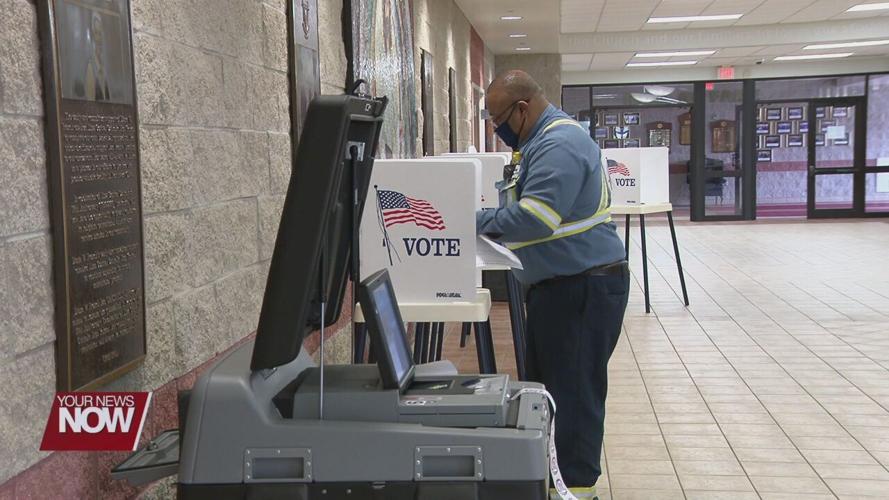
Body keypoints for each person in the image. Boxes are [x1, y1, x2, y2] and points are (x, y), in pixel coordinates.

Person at [476, 70, 629, 500]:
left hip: (581, 290)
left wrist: (474, 222)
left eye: (498, 119)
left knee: (574, 399)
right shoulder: (542, 142)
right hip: (562, 288)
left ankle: (577, 491)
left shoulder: (558, 143)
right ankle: (553, 483)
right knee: (550, 396)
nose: (497, 128)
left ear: (522, 109)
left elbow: (536, 217)